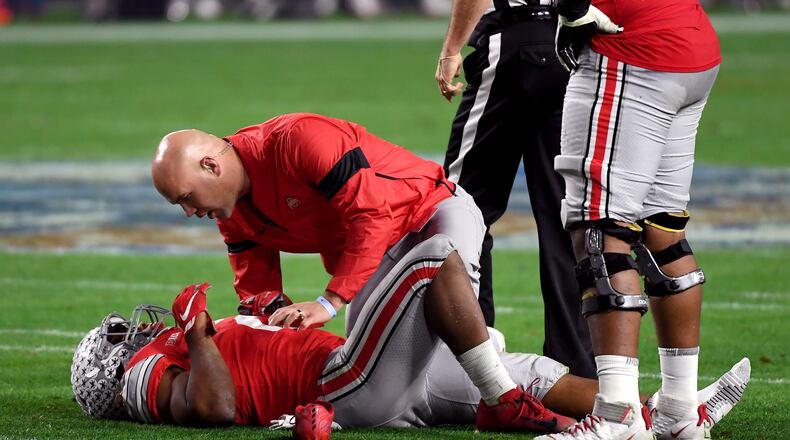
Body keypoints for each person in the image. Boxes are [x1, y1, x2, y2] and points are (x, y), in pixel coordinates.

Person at [150, 113, 572, 432]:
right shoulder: (231, 214)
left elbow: (372, 215)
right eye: (179, 205)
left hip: (430, 215)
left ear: (211, 165)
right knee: (370, 366)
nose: (190, 212)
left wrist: (328, 301)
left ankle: (501, 396)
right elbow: (258, 293)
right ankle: (484, 352)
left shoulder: (297, 139)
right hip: (370, 252)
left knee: (436, 270)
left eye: (187, 198)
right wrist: (273, 324)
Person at [70, 278, 749, 431]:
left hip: (359, 362)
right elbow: (215, 404)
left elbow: (246, 358)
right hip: (346, 378)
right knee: (426, 255)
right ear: (115, 364)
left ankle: (673, 416)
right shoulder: (145, 374)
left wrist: (275, 314)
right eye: (119, 338)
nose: (133, 330)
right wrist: (194, 331)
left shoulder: (160, 355)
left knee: (529, 377)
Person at [534, 0, 723, 437]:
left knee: (601, 232)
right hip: (690, 41)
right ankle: (679, 412)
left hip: (631, 48)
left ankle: (617, 415)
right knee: (664, 232)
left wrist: (574, 9)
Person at [435, 0, 596, 379]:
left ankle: (470, 361)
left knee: (458, 210)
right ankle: (574, 372)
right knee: (565, 219)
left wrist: (451, 49)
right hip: (567, 50)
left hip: (511, 43)